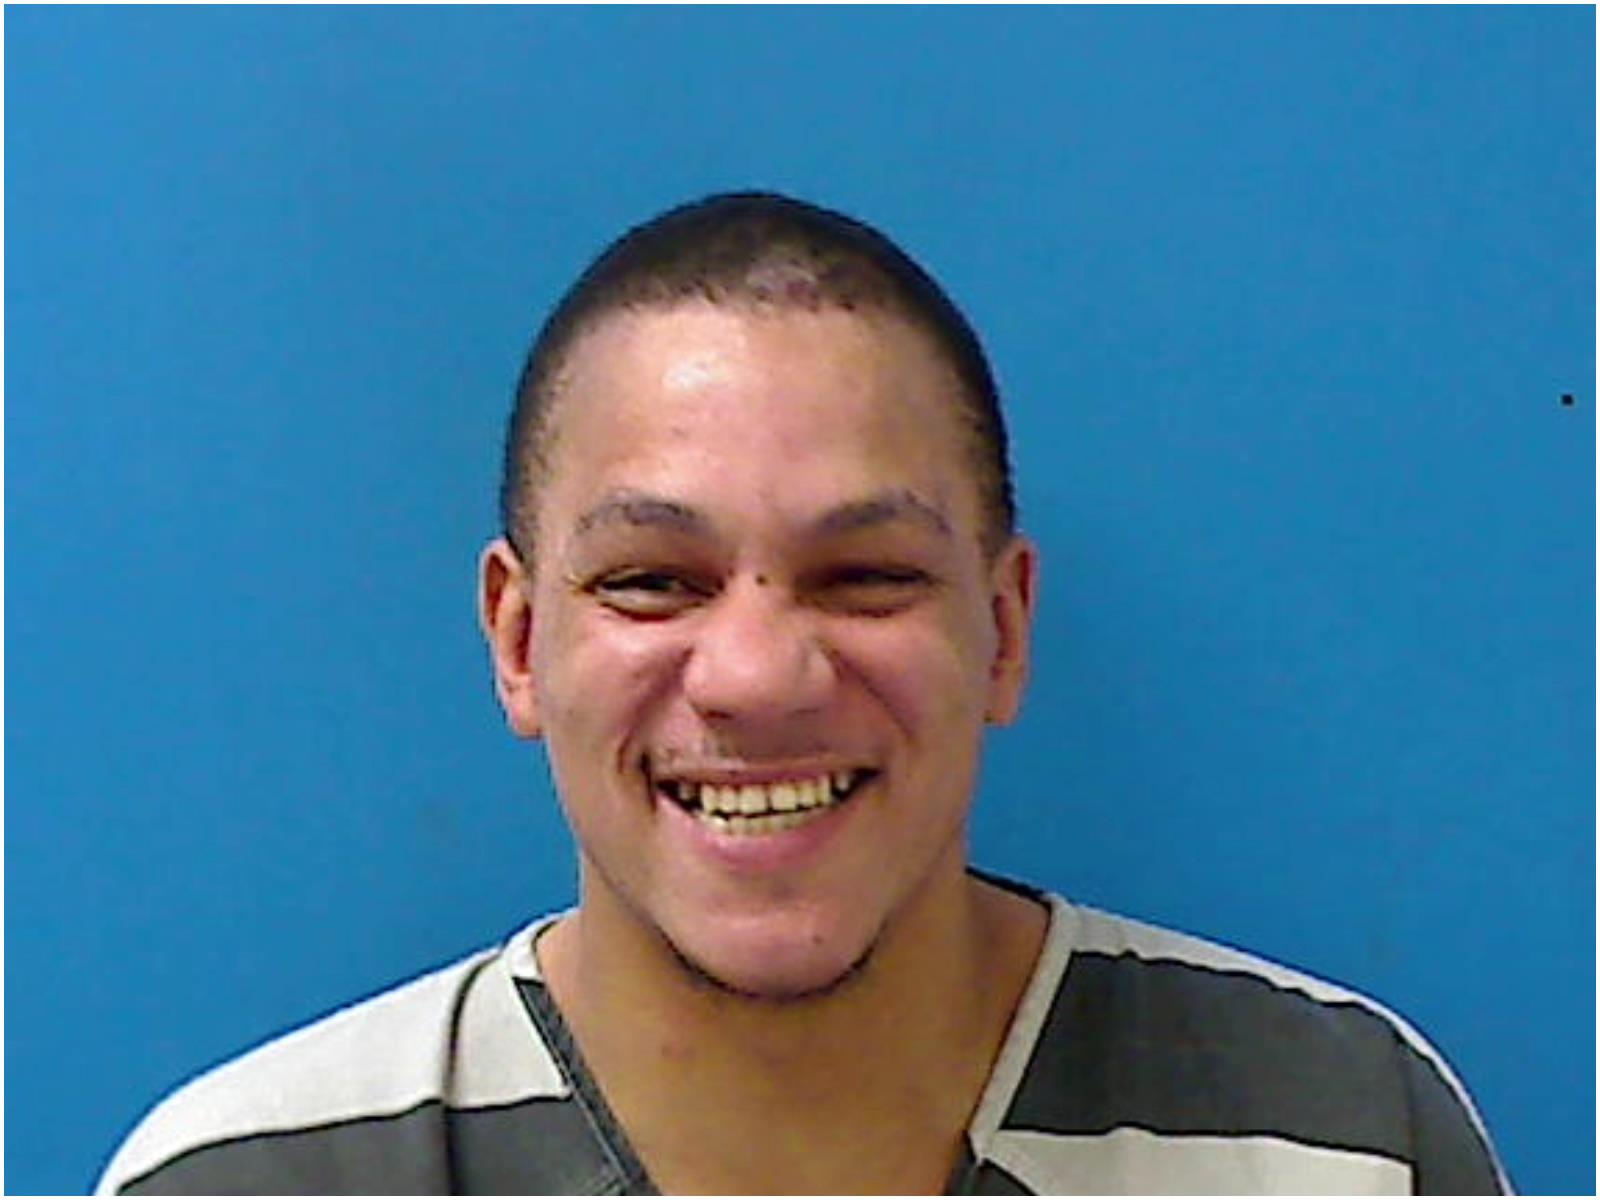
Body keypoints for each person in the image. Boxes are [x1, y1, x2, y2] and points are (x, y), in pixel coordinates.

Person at [97, 192, 1509, 1195]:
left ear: (1004, 632)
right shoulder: (241, 1180)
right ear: (521, 642)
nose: (758, 677)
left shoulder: (1343, 1143)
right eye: (654, 580)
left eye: (866, 577)